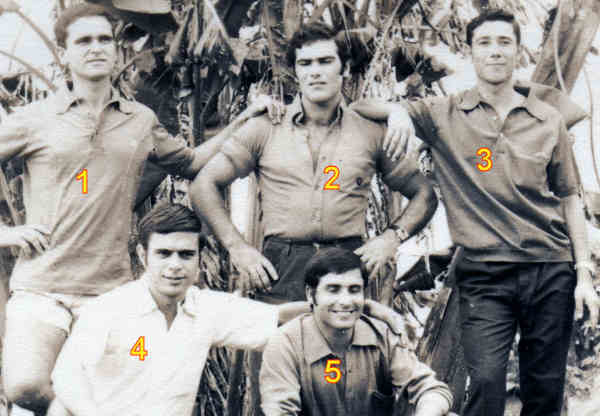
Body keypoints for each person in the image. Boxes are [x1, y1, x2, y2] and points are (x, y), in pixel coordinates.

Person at [0, 4, 293, 414]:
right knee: (25, 386)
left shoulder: (139, 120)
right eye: (83, 41)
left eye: (104, 39)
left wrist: (244, 118)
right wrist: (6, 233)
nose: (96, 48)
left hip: (111, 290)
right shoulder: (34, 119)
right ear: (64, 54)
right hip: (42, 284)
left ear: (116, 50)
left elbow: (192, 162)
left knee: (125, 395)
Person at [350, 8, 600, 416]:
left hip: (549, 269)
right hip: (484, 275)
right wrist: (397, 112)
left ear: (517, 51)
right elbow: (362, 105)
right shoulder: (443, 113)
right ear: (470, 52)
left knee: (545, 389)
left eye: (504, 42)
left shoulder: (547, 119)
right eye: (484, 43)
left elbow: (570, 197)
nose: (495, 51)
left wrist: (584, 275)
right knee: (485, 383)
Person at [47, 203, 405, 416]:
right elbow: (67, 379)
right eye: (164, 254)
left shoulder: (205, 309)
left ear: (199, 259)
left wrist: (364, 306)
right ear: (143, 256)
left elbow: (280, 316)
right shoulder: (109, 310)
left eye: (186, 255)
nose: (175, 265)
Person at [191, 21, 438, 303]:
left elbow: (424, 194)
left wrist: (391, 238)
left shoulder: (369, 131)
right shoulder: (266, 127)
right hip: (281, 267)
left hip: (347, 264)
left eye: (325, 61)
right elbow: (203, 185)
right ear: (296, 71)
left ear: (344, 68)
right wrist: (237, 247)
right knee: (280, 333)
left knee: (347, 333)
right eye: (305, 63)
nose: (315, 71)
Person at [259, 247, 453, 416]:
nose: (345, 301)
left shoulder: (381, 335)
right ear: (311, 294)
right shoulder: (286, 343)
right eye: (333, 289)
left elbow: (432, 389)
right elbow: (279, 411)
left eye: (354, 290)